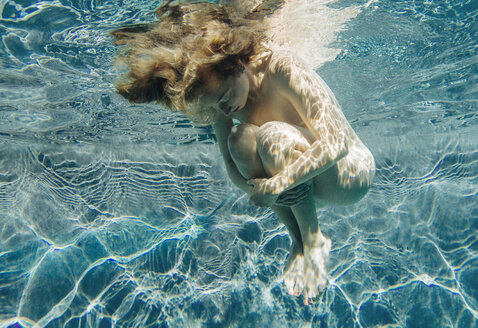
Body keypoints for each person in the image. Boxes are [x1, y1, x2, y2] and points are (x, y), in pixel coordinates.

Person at [112, 1, 375, 304]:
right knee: (240, 139)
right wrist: (266, 189)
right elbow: (233, 167)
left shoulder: (282, 67)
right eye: (214, 105)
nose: (224, 109)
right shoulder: (219, 95)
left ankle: (313, 237)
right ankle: (298, 239)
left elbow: (336, 144)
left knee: (272, 136)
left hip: (349, 174)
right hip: (301, 180)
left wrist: (277, 184)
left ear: (236, 62)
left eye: (223, 97)